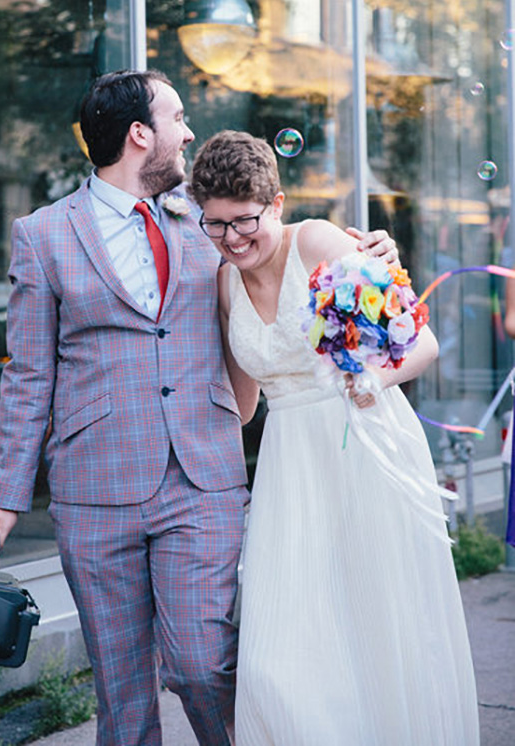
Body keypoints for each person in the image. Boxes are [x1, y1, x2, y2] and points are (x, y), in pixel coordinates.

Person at [0, 70, 398, 746]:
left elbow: (287, 263)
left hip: (201, 480)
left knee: (206, 667)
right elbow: (29, 375)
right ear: (141, 133)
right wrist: (7, 494)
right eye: (177, 117)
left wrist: (366, 257)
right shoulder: (42, 235)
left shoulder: (211, 226)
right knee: (122, 692)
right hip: (95, 489)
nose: (189, 131)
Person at [189, 130, 480, 746]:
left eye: (244, 221)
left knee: (376, 624)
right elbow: (242, 407)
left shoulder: (318, 242)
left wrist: (371, 377)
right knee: (280, 650)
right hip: (289, 469)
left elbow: (420, 343)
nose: (233, 240)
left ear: (277, 203)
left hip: (365, 445)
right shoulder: (223, 281)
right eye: (214, 226)